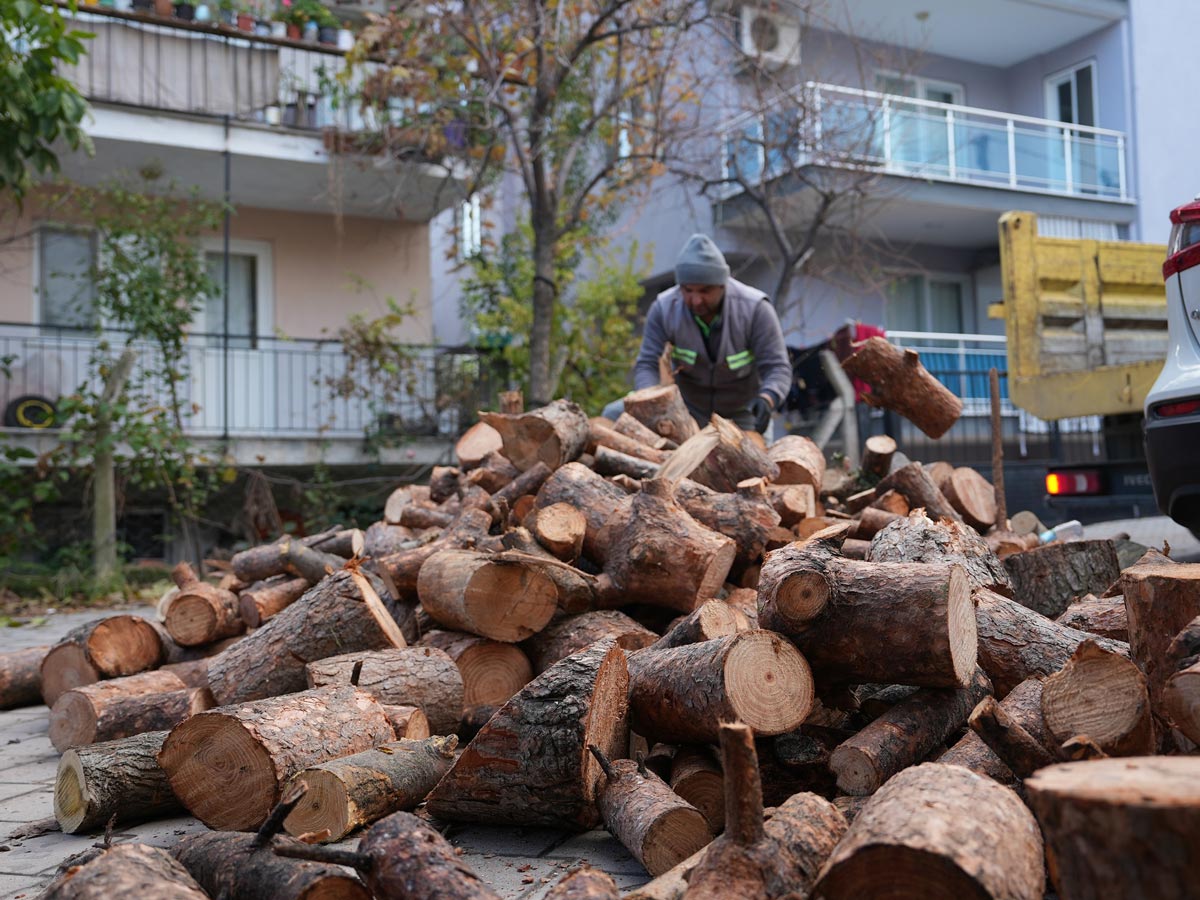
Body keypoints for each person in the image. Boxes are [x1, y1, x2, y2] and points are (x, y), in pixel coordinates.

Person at [632, 234, 792, 433]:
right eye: (688, 290)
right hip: (687, 412)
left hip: (742, 414)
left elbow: (778, 368)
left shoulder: (755, 310)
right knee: (612, 413)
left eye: (705, 291)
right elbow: (647, 363)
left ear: (722, 284)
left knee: (754, 461)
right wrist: (650, 399)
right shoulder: (664, 309)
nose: (696, 300)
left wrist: (767, 398)